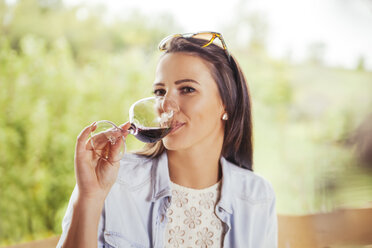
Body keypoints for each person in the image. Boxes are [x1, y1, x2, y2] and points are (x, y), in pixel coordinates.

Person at [57, 32, 277, 248]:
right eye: (160, 92)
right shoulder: (112, 179)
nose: (165, 104)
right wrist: (90, 197)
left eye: (187, 89)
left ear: (227, 103)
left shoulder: (257, 197)